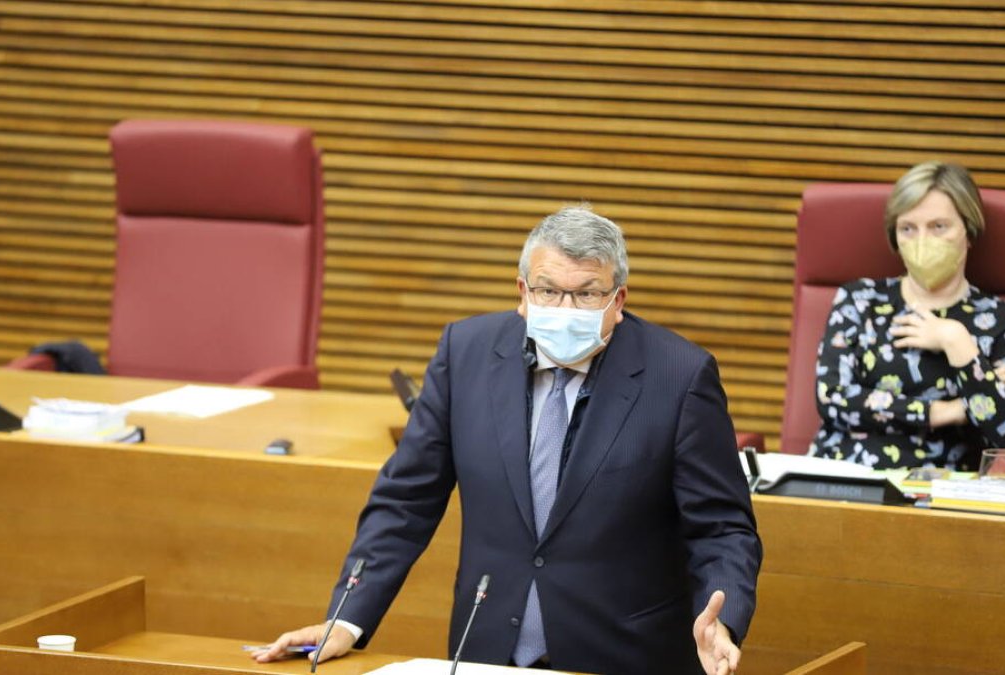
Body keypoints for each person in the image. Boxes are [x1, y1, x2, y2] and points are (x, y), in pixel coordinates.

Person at [254, 205, 762, 675]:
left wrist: (724, 612)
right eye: (547, 290)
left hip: (623, 655)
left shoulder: (680, 375)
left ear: (617, 300)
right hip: (486, 650)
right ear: (522, 294)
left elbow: (722, 528)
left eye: (586, 293)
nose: (565, 307)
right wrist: (347, 618)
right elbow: (405, 501)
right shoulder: (466, 353)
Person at [810, 161, 1005, 470]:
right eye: (908, 228)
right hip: (843, 477)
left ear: (968, 232)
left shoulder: (1000, 322)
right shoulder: (860, 301)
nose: (922, 240)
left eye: (938, 226)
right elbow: (832, 398)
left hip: (937, 495)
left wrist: (959, 345)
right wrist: (947, 411)